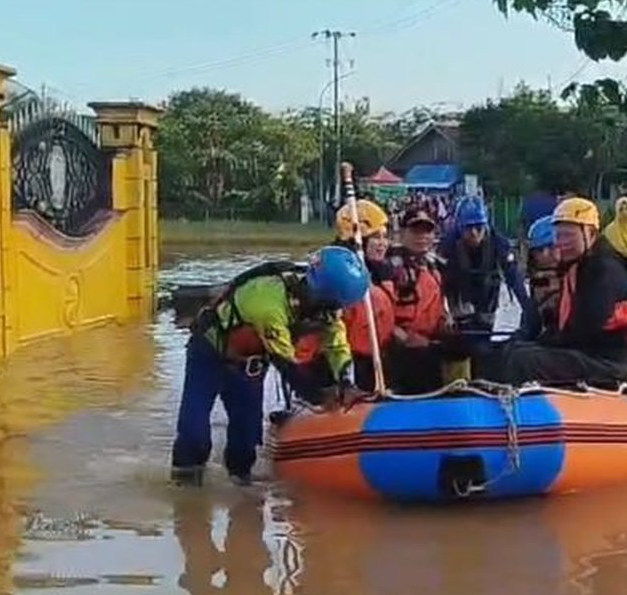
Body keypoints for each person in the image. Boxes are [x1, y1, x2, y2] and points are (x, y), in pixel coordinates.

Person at [171, 246, 370, 487]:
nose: (334, 313)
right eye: (331, 305)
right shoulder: (268, 304)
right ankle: (185, 493)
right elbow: (285, 364)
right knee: (194, 435)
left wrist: (346, 383)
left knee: (245, 445)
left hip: (250, 365)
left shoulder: (327, 310)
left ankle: (242, 493)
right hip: (209, 355)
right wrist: (320, 398)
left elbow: (338, 347)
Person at [480, 197, 627, 387]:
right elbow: (555, 327)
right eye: (558, 236)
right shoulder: (579, 267)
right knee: (504, 352)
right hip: (586, 353)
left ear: (590, 233)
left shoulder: (606, 270)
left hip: (607, 362)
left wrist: (540, 345)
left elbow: (583, 332)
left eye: (569, 235)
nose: (561, 243)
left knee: (521, 360)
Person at [437, 196, 532, 358]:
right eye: (468, 228)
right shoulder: (447, 245)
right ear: (460, 228)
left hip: (486, 297)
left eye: (478, 228)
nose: (474, 233)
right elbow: (437, 284)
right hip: (459, 297)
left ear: (485, 225)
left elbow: (514, 279)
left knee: (483, 343)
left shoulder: (499, 243)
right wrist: (443, 314)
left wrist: (529, 311)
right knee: (461, 342)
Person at [332, 199, 395, 392]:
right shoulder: (338, 273)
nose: (383, 243)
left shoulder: (381, 271)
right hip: (346, 360)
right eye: (376, 237)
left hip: (375, 355)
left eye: (385, 236)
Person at [384, 209, 449, 393]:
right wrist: (405, 338)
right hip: (400, 344)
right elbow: (381, 315)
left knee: (462, 347)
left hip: (429, 340)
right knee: (421, 358)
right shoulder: (391, 268)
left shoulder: (435, 266)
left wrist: (446, 322)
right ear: (403, 233)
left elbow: (439, 307)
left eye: (427, 231)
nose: (422, 237)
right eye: (416, 231)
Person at [523, 214, 561, 340]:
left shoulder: (575, 276)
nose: (545, 255)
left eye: (551, 247)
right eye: (539, 250)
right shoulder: (536, 281)